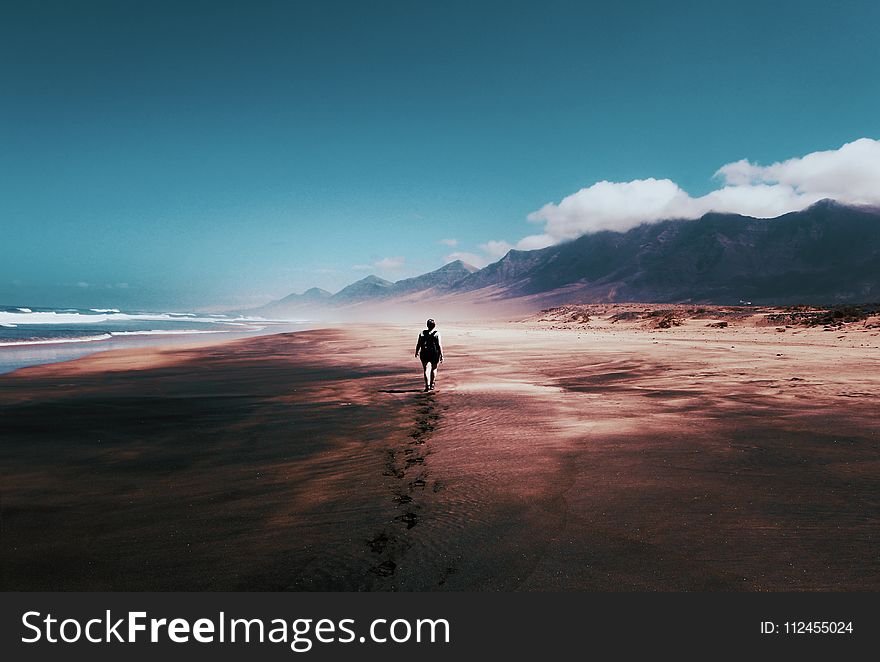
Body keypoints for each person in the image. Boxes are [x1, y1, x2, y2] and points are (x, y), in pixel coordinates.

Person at [414, 318, 443, 392]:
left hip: (424, 353)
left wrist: (417, 351)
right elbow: (439, 345)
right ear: (434, 325)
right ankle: (432, 384)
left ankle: (427, 386)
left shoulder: (422, 333)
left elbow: (419, 343)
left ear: (427, 325)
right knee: (434, 368)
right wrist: (442, 355)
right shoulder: (437, 333)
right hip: (434, 353)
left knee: (426, 369)